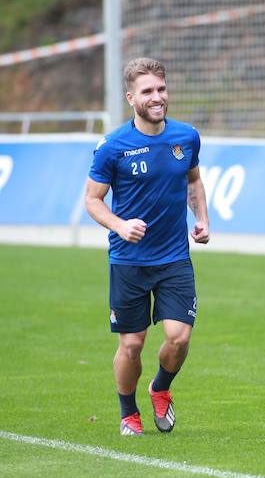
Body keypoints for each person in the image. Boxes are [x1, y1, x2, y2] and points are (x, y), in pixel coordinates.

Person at [85, 57, 210, 436]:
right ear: (131, 98)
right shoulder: (113, 147)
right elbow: (92, 200)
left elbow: (193, 181)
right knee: (132, 345)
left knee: (179, 337)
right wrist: (120, 225)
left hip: (174, 258)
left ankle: (160, 387)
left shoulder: (186, 136)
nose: (157, 97)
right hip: (129, 261)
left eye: (161, 89)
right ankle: (128, 413)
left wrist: (202, 219)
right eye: (148, 91)